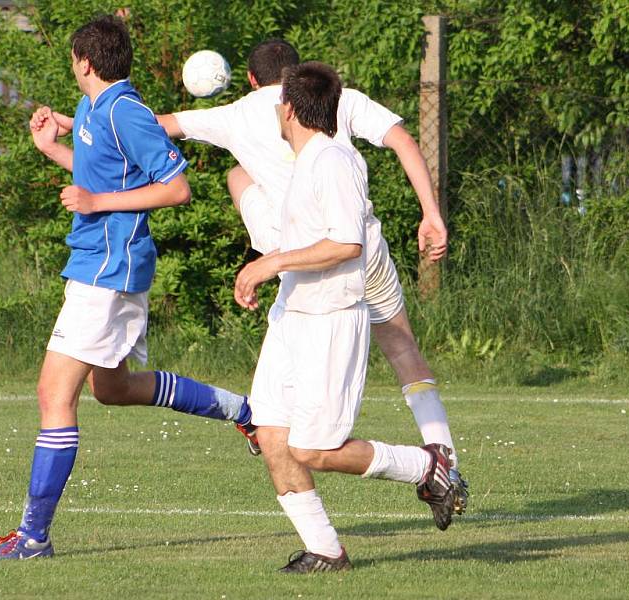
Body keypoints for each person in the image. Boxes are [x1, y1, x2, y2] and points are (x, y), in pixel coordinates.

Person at [0, 15, 255, 560]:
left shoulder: (127, 112)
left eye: (71, 58)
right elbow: (97, 172)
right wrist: (51, 148)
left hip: (108, 268)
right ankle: (243, 411)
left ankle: (33, 537)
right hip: (98, 264)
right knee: (113, 389)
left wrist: (95, 203)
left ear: (84, 62)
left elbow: (176, 190)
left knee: (53, 395)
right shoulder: (92, 107)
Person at [156, 39, 468, 522]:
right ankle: (445, 455)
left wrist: (82, 121)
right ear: (299, 74)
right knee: (403, 348)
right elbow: (404, 139)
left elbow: (159, 125)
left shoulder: (237, 112)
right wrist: (431, 214)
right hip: (364, 246)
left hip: (309, 260)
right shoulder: (339, 99)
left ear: (260, 85)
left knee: (238, 177)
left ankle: (425, 470)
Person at [234, 61, 455, 573]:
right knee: (270, 432)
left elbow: (346, 243)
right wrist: (268, 270)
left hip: (332, 318)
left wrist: (272, 262)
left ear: (287, 108)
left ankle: (427, 465)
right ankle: (326, 549)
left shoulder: (333, 160)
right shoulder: (306, 157)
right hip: (293, 314)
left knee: (313, 447)